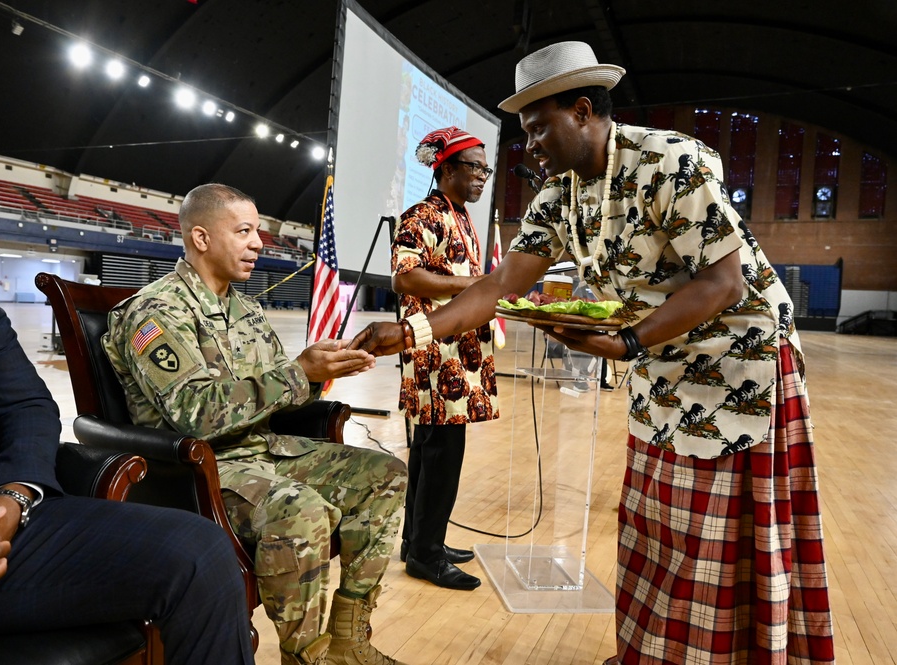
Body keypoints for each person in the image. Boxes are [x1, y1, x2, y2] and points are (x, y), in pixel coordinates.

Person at [351, 41, 834, 664]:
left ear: (582, 110)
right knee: (656, 526)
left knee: (714, 533)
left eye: (538, 128)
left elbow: (724, 283)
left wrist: (627, 341)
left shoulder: (669, 162)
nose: (530, 147)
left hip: (738, 366)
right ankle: (654, 652)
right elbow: (500, 286)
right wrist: (413, 333)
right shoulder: (561, 196)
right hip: (662, 365)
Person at [0, 124, 254, 665]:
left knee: (199, 552)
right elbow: (195, 410)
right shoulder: (157, 312)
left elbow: (28, 406)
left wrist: (12, 498)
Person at [102, 183, 408, 665]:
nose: (259, 243)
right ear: (201, 238)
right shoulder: (156, 313)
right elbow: (195, 414)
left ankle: (349, 642)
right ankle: (306, 656)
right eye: (243, 231)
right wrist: (296, 374)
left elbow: (272, 398)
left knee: (385, 474)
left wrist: (319, 372)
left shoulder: (245, 309)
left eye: (258, 231)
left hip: (260, 453)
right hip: (194, 472)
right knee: (302, 510)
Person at [392, 127, 498, 591]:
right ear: (447, 169)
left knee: (430, 452)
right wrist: (472, 286)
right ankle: (426, 556)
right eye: (475, 167)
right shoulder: (424, 214)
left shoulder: (460, 216)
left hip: (457, 351)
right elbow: (404, 278)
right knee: (441, 455)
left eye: (485, 169)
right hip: (438, 356)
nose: (482, 177)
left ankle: (418, 540)